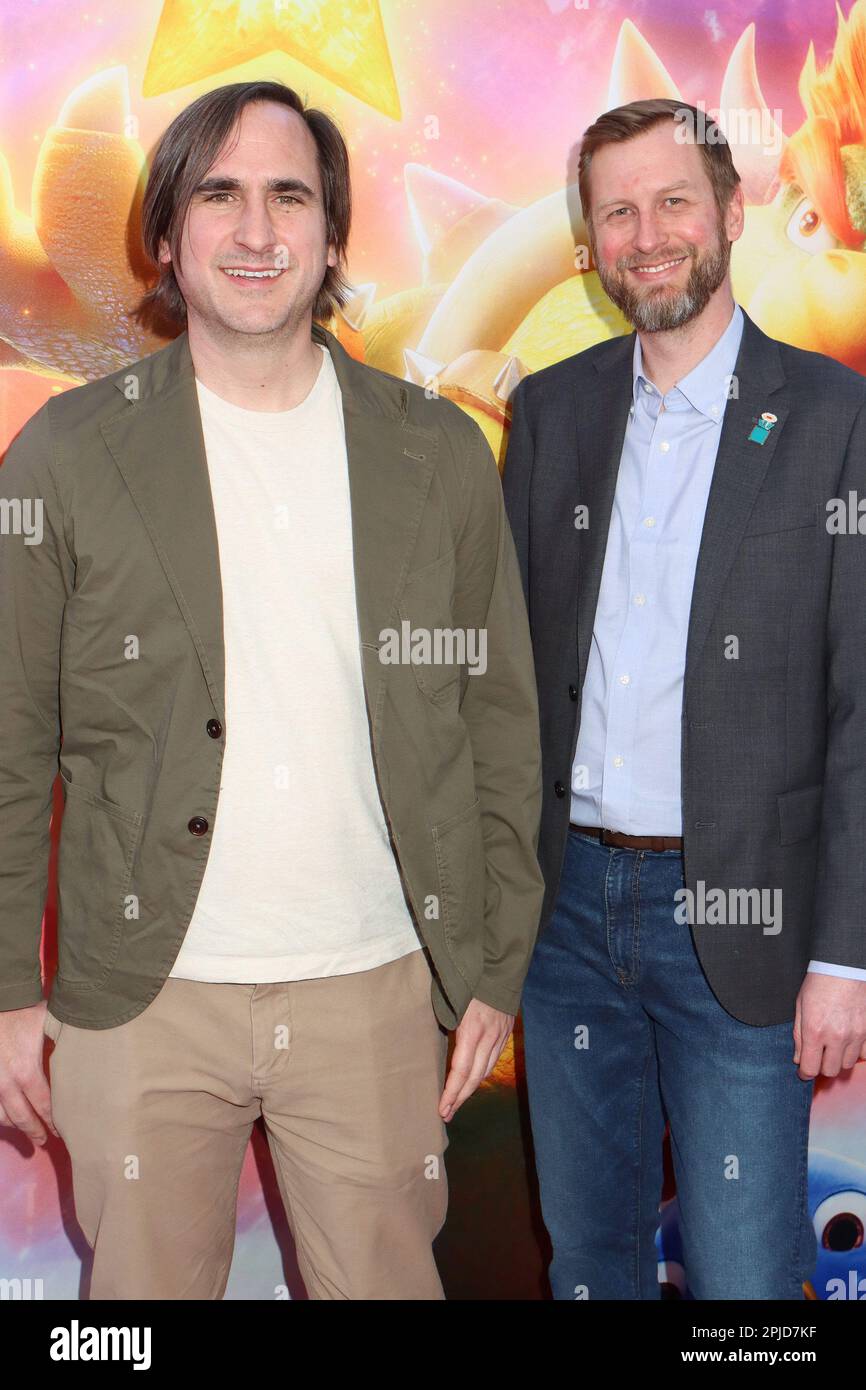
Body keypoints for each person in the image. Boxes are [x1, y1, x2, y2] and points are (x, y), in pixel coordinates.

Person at [0, 79, 544, 1300]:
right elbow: (8, 734)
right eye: (220, 195)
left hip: (375, 991)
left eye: (288, 196)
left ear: (333, 236)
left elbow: (498, 720)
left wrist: (492, 968)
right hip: (138, 1005)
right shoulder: (67, 455)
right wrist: (3, 992)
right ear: (168, 233)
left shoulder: (437, 451)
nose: (255, 231)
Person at [502, 97, 866, 1300]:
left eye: (670, 202)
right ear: (589, 241)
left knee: (745, 1280)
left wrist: (846, 960)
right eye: (616, 211)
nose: (645, 234)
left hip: (741, 919)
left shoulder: (834, 417)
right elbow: (507, 686)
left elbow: (860, 705)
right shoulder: (549, 413)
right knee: (589, 1261)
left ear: (727, 211)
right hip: (564, 923)